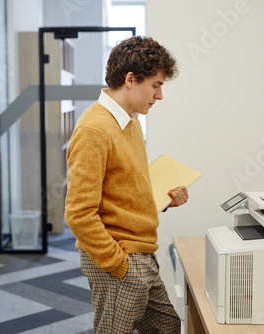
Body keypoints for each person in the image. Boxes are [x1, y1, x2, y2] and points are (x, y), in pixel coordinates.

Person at [64, 36, 188, 334]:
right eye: (156, 85)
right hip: (119, 255)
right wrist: (120, 265)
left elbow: (122, 189)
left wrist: (163, 199)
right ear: (131, 79)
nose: (159, 96)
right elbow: (78, 213)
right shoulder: (95, 129)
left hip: (140, 251)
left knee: (166, 327)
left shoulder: (128, 121)